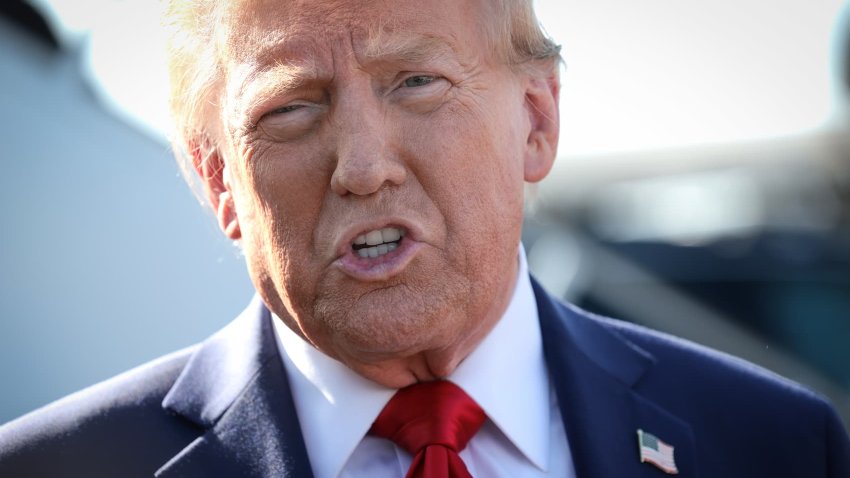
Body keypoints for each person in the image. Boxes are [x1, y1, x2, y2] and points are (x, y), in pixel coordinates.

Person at [1, 0, 848, 476]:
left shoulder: (777, 447)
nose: (363, 168)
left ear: (537, 120)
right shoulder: (56, 470)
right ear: (218, 181)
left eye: (416, 82)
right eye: (292, 107)